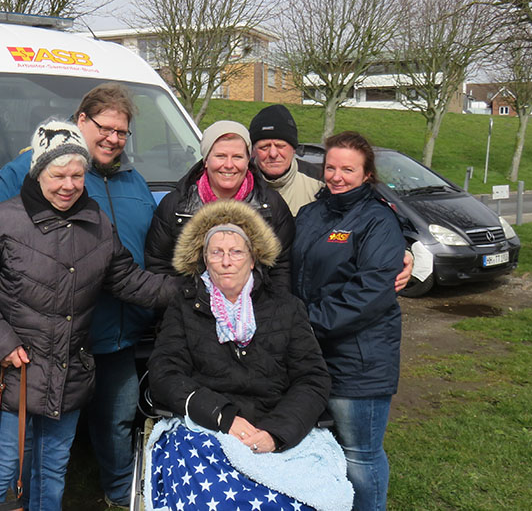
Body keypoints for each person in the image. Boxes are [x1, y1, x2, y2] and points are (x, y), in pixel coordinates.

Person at [0, 120, 189, 511]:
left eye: (77, 175)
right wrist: (2, 344)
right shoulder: (1, 221)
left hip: (69, 372)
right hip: (13, 373)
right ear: (38, 173)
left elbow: (128, 280)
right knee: (1, 468)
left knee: (52, 469)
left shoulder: (97, 223)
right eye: (58, 175)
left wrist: (191, 289)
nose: (68, 185)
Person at [0, 83, 155, 508]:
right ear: (81, 120)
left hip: (117, 335)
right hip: (49, 340)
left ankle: (120, 493)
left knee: (115, 420)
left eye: (122, 132)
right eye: (105, 128)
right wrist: (1, 336)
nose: (113, 138)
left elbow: (139, 264)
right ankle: (17, 499)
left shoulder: (135, 183)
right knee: (28, 444)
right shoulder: (26, 172)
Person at [145, 199, 353, 511]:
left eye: (236, 252)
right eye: (216, 252)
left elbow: (312, 379)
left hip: (275, 424)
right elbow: (165, 373)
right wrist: (221, 416)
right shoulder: (184, 308)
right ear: (204, 260)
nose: (226, 261)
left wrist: (276, 433)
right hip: (208, 427)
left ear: (253, 259)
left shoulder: (286, 308)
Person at [291, 131, 405, 511]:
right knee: (326, 448)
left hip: (359, 360)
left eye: (348, 170)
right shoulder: (312, 213)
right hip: (314, 354)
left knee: (361, 455)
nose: (336, 177)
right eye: (330, 168)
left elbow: (369, 292)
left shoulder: (378, 220)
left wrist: (306, 323)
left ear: (367, 174)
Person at [248, 103, 414, 291]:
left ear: (293, 147)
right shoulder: (239, 184)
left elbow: (371, 214)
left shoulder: (321, 182)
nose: (273, 153)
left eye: (280, 145)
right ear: (253, 150)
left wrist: (404, 250)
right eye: (264, 147)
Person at [145, 120, 294, 288]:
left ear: (248, 161)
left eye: (237, 157)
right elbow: (158, 265)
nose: (229, 165)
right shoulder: (176, 205)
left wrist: (267, 301)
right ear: (206, 160)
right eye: (220, 156)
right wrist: (186, 298)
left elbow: (282, 266)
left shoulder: (271, 205)